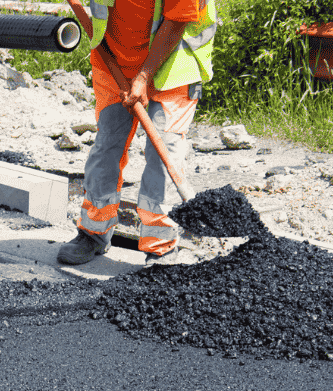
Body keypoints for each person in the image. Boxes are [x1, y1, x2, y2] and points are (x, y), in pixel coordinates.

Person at [58, 0, 217, 266]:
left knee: (162, 155)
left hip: (173, 65)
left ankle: (161, 246)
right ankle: (93, 232)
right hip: (113, 60)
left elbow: (178, 18)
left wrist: (143, 77)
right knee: (107, 146)